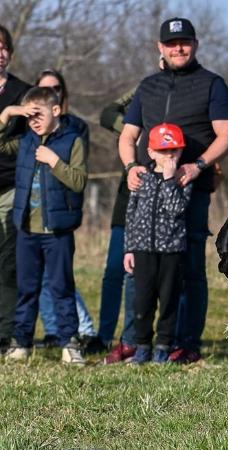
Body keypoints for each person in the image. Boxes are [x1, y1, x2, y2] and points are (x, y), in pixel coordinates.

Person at [119, 17, 228, 363]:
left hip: (191, 190)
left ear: (195, 44)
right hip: (148, 188)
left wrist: (196, 165)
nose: (178, 48)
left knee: (189, 269)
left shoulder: (212, 84)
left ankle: (185, 343)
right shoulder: (148, 86)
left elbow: (226, 135)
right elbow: (128, 136)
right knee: (140, 273)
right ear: (160, 48)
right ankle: (136, 342)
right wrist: (129, 167)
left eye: (184, 42)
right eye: (171, 44)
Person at [0, 86, 88, 364]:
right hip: (27, 229)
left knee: (62, 288)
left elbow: (79, 180)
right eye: (29, 116)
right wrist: (7, 113)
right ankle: (21, 341)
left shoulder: (72, 141)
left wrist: (54, 162)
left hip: (57, 232)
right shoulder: (26, 140)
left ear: (56, 110)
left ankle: (70, 343)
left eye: (38, 114)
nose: (33, 121)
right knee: (27, 289)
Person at [33, 69, 103, 352]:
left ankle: (84, 330)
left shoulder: (75, 128)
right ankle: (52, 330)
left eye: (57, 88)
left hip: (61, 211)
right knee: (38, 278)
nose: (53, 92)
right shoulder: (30, 127)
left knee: (60, 278)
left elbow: (75, 174)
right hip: (34, 213)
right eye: (45, 88)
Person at [124, 123, 192, 364]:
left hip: (171, 251)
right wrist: (129, 249)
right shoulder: (141, 177)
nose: (169, 156)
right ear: (151, 152)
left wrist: (169, 180)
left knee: (169, 299)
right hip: (143, 250)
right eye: (163, 151)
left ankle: (163, 345)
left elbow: (176, 208)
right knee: (142, 300)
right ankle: (142, 345)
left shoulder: (182, 178)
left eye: (174, 150)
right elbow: (131, 215)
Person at [99, 87, 139, 363]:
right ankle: (104, 336)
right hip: (125, 206)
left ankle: (134, 340)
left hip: (160, 210)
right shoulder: (132, 125)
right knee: (114, 271)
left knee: (137, 277)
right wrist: (143, 85)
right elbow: (107, 113)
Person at [0, 25, 30, 354]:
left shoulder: (25, 91)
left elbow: (32, 139)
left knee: (6, 263)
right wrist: (4, 117)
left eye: (3, 46)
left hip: (9, 187)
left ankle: (5, 334)